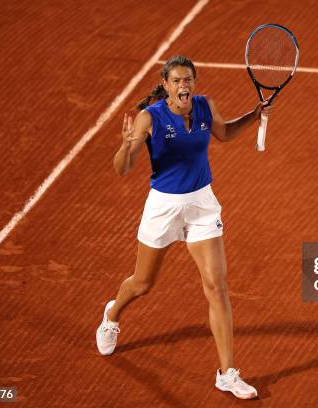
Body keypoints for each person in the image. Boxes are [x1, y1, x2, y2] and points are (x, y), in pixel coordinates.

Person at [96, 55, 270, 400]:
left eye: (188, 79)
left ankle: (226, 373)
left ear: (195, 82)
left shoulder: (205, 107)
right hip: (164, 207)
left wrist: (253, 115)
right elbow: (122, 168)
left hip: (202, 205)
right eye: (176, 80)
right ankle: (112, 314)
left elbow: (223, 133)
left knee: (216, 287)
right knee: (143, 283)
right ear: (165, 85)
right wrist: (127, 143)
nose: (183, 86)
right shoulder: (150, 117)